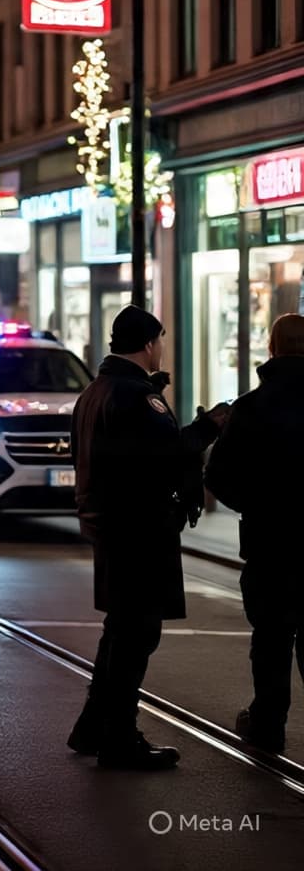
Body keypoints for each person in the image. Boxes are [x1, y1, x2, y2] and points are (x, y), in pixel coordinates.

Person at [66, 304, 227, 770]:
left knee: (120, 629)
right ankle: (119, 737)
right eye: (159, 340)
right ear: (149, 343)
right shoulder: (136, 396)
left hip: (110, 525)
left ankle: (93, 726)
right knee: (136, 635)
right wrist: (209, 427)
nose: (161, 348)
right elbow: (167, 454)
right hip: (139, 529)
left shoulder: (95, 391)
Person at [205, 312, 304, 755]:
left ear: (272, 348)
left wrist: (257, 504)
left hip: (270, 543)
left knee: (271, 639)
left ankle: (267, 724)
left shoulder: (250, 408)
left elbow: (217, 475)